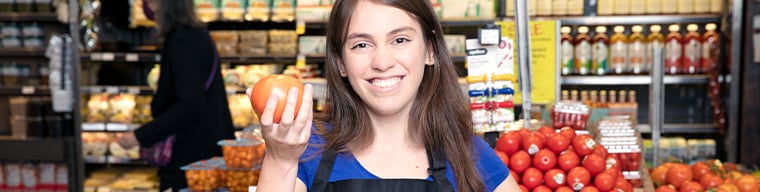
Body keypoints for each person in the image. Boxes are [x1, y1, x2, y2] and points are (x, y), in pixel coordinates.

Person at [254, 0, 520, 191]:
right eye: (361, 44)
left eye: (400, 40)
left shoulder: (467, 152)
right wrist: (280, 159)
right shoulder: (307, 150)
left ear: (429, 50)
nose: (382, 61)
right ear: (341, 63)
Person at [116, 0, 235, 190]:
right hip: (206, 154)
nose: (146, 6)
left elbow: (188, 103)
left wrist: (140, 136)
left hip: (191, 160)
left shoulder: (182, 40)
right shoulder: (196, 35)